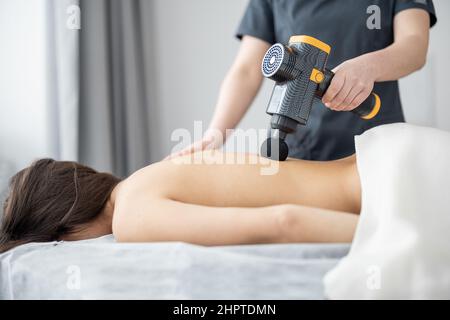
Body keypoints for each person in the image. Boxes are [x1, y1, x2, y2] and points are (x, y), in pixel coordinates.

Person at [167, 0, 436, 161]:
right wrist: (215, 135)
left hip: (378, 145)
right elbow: (247, 70)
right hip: (301, 150)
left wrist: (368, 67)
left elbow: (414, 46)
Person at [0, 139, 362, 254]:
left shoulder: (132, 217)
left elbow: (284, 222)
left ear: (64, 226)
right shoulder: (148, 175)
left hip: (381, 189)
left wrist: (389, 233)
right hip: (372, 160)